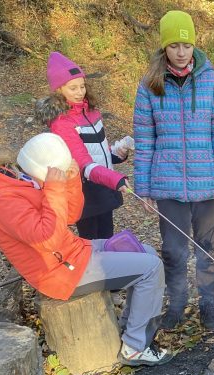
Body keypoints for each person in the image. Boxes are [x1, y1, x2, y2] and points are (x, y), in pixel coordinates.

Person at [0, 133, 171, 366]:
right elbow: (47, 239)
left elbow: (70, 216)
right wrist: (54, 188)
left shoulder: (22, 180)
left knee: (146, 252)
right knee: (151, 268)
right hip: (60, 274)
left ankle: (130, 328)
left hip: (73, 253)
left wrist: (69, 182)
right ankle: (135, 347)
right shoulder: (3, 200)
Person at [133, 10, 214, 331]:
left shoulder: (213, 82)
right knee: (173, 250)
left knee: (206, 249)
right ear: (164, 47)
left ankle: (208, 305)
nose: (181, 52)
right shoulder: (150, 85)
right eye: (174, 46)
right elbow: (145, 140)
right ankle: (177, 303)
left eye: (187, 45)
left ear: (194, 45)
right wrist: (143, 187)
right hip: (168, 184)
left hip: (208, 184)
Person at [35, 51, 132, 240]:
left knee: (107, 237)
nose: (80, 92)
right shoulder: (62, 122)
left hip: (103, 184)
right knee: (91, 242)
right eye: (73, 88)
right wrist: (114, 179)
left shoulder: (91, 112)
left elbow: (97, 149)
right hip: (85, 191)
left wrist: (117, 152)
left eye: (82, 86)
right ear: (59, 90)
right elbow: (82, 162)